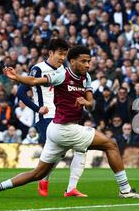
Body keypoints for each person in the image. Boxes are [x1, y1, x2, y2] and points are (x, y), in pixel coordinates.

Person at [0, 45, 139, 199]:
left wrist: (85, 102)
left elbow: (90, 102)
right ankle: (125, 190)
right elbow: (35, 81)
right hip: (63, 129)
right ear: (72, 61)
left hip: (59, 130)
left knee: (37, 173)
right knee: (110, 145)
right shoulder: (61, 75)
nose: (88, 65)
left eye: (89, 61)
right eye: (83, 61)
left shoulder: (86, 77)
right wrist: (17, 77)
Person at [16, 39, 88, 197]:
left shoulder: (64, 70)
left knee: (67, 150)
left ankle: (57, 183)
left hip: (63, 114)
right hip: (46, 115)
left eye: (65, 54)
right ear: (50, 53)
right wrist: (38, 109)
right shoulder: (38, 69)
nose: (62, 58)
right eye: (60, 54)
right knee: (59, 150)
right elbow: (21, 92)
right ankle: (45, 179)